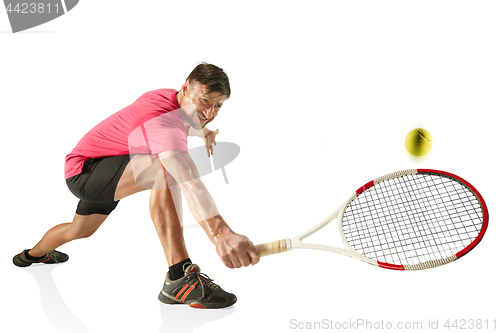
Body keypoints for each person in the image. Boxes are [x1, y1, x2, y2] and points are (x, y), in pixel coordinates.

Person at [12, 63, 260, 309]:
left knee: (79, 230)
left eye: (218, 105)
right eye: (205, 100)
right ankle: (179, 277)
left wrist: (202, 133)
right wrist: (221, 234)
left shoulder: (167, 97)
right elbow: (186, 176)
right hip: (86, 171)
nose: (210, 112)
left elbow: (175, 123)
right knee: (166, 170)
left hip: (107, 168)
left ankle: (32, 255)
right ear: (185, 88)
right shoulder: (161, 121)